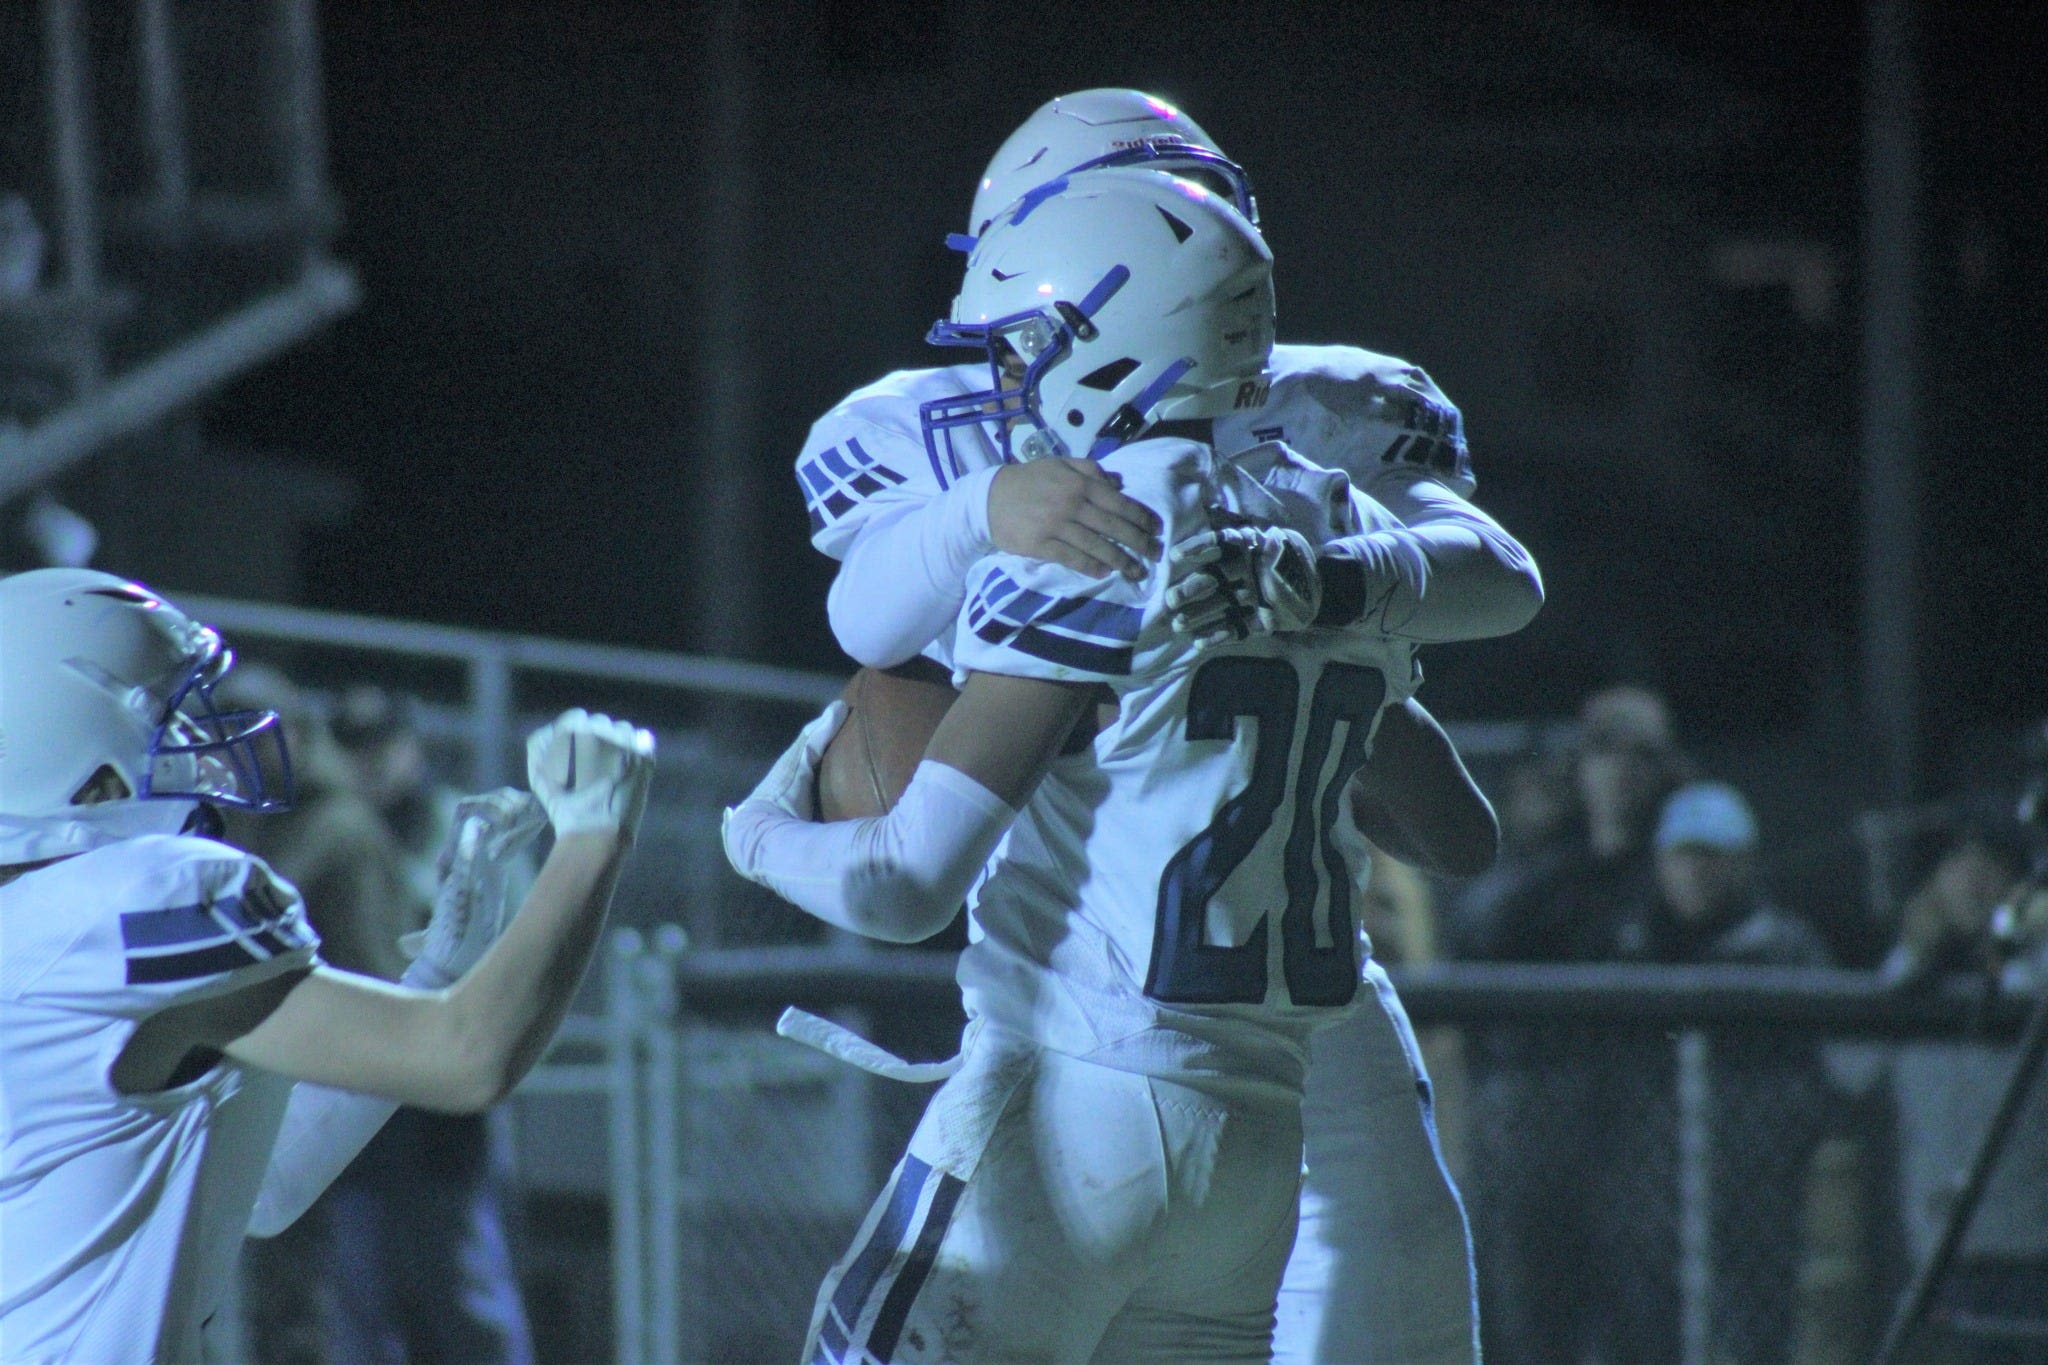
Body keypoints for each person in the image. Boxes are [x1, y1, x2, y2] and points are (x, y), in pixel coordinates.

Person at [787, 88, 1540, 1364]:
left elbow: (869, 657)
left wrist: (764, 828)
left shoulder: (1309, 417)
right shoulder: (1307, 444)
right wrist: (991, 506)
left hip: (1108, 1024)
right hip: (1262, 996)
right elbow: (1480, 637)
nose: (1005, 362)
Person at [0, 568, 653, 1365]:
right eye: (173, 725)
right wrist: (593, 835)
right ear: (85, 766)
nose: (207, 749)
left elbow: (262, 1184)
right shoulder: (135, 901)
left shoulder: (39, 922)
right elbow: (468, 1056)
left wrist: (434, 974)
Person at [1648, 781, 1835, 1365]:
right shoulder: (1637, 944)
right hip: (1654, 1192)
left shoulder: (1789, 948)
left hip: (1755, 1189)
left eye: (1712, 855)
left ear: (1745, 862)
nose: (1696, 872)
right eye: (1684, 855)